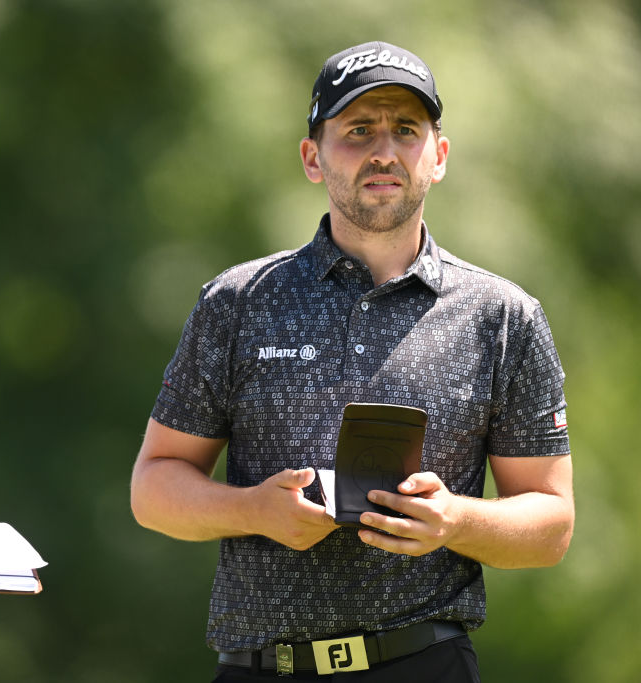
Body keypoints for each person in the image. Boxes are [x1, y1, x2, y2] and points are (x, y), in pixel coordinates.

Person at [130, 41, 573, 682]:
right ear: (312, 157)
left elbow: (552, 522)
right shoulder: (238, 301)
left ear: (439, 156)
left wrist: (454, 520)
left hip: (426, 662)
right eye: (358, 130)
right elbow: (153, 487)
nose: (384, 151)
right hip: (262, 667)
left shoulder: (503, 315)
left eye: (406, 130)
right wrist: (255, 509)